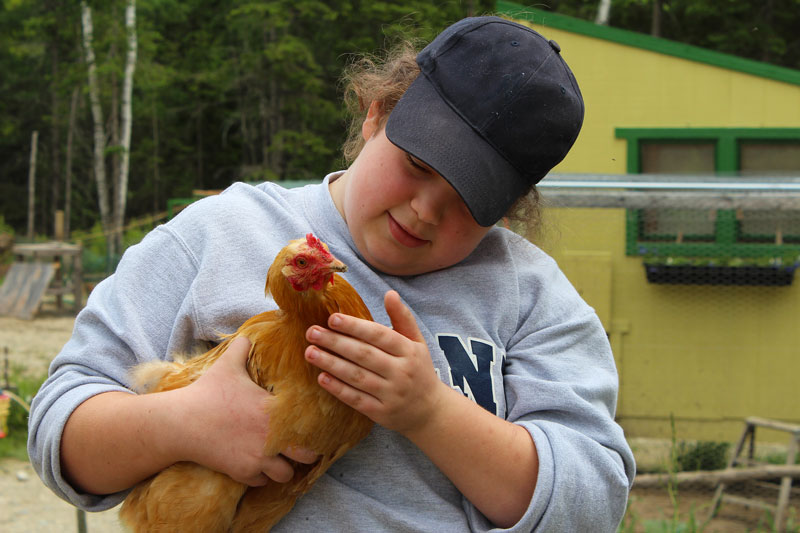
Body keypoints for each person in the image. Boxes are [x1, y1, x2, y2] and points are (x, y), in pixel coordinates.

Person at [29, 16, 635, 531]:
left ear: (507, 210)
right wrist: (178, 425)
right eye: (418, 165)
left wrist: (431, 413)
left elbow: (592, 500)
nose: (426, 210)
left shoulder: (530, 295)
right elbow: (60, 430)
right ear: (376, 116)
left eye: (468, 200)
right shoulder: (219, 234)